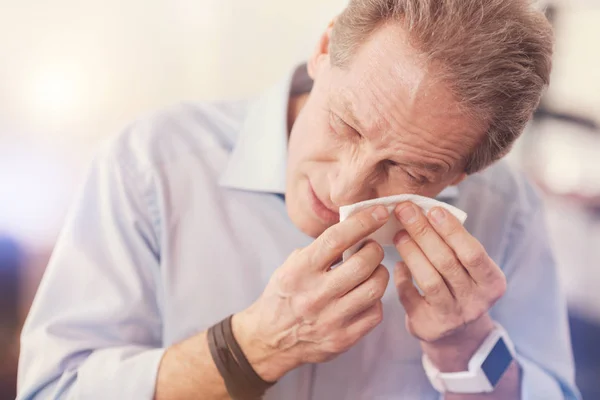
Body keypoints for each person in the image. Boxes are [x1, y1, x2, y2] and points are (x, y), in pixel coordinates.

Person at [17, 0, 581, 399]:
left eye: (409, 168)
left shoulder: (505, 211)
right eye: (345, 123)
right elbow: (54, 390)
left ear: (470, 167)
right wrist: (254, 347)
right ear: (325, 47)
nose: (343, 190)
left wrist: (465, 346)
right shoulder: (151, 164)